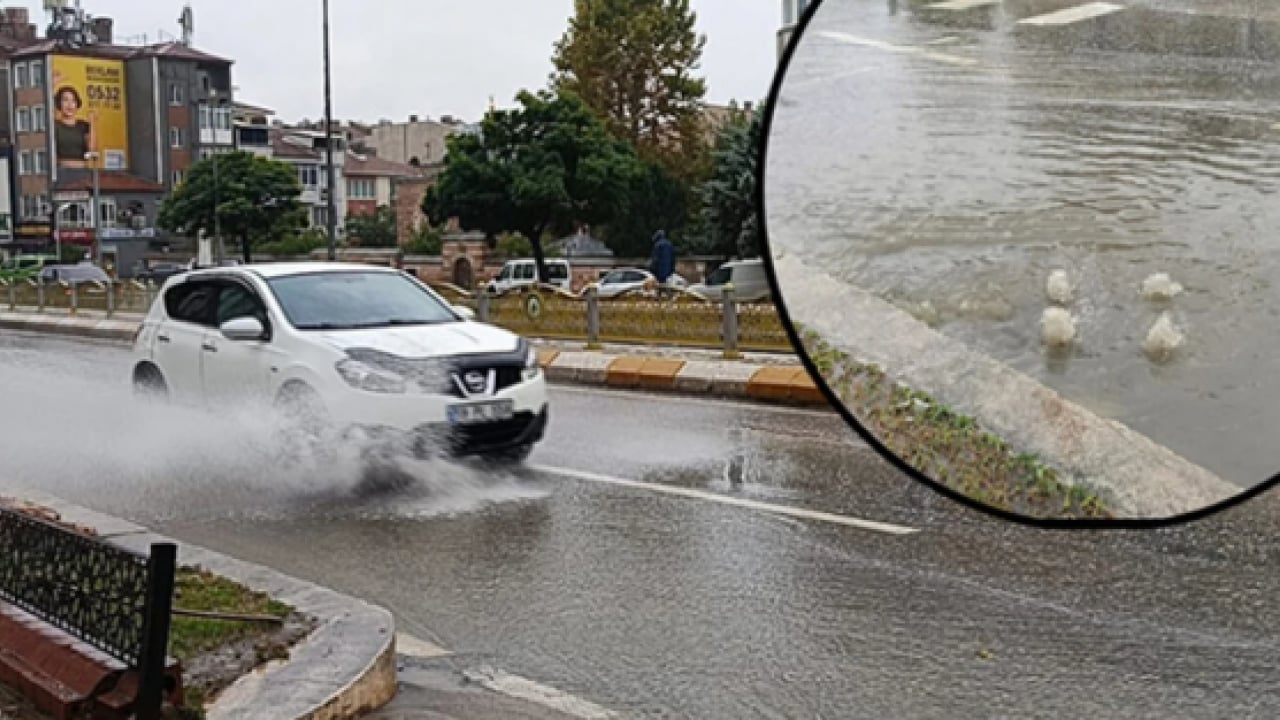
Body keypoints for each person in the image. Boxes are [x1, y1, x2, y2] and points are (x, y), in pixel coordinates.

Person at [53, 86, 97, 168]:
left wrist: (93, 124)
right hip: (61, 171)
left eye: (73, 100)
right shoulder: (54, 125)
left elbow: (92, 151)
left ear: (77, 104)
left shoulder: (83, 126)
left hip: (82, 172)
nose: (69, 105)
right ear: (59, 103)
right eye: (65, 100)